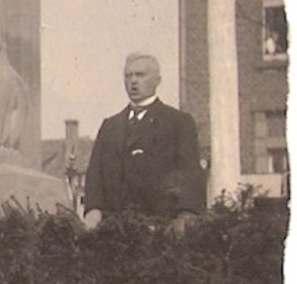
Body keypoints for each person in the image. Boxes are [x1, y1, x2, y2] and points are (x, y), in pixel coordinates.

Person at [83, 53, 206, 231]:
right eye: (128, 75)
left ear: (157, 80)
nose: (133, 81)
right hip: (114, 230)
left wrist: (187, 213)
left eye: (140, 75)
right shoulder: (110, 126)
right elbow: (95, 174)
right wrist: (93, 209)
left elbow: (190, 173)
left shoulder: (177, 122)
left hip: (160, 228)